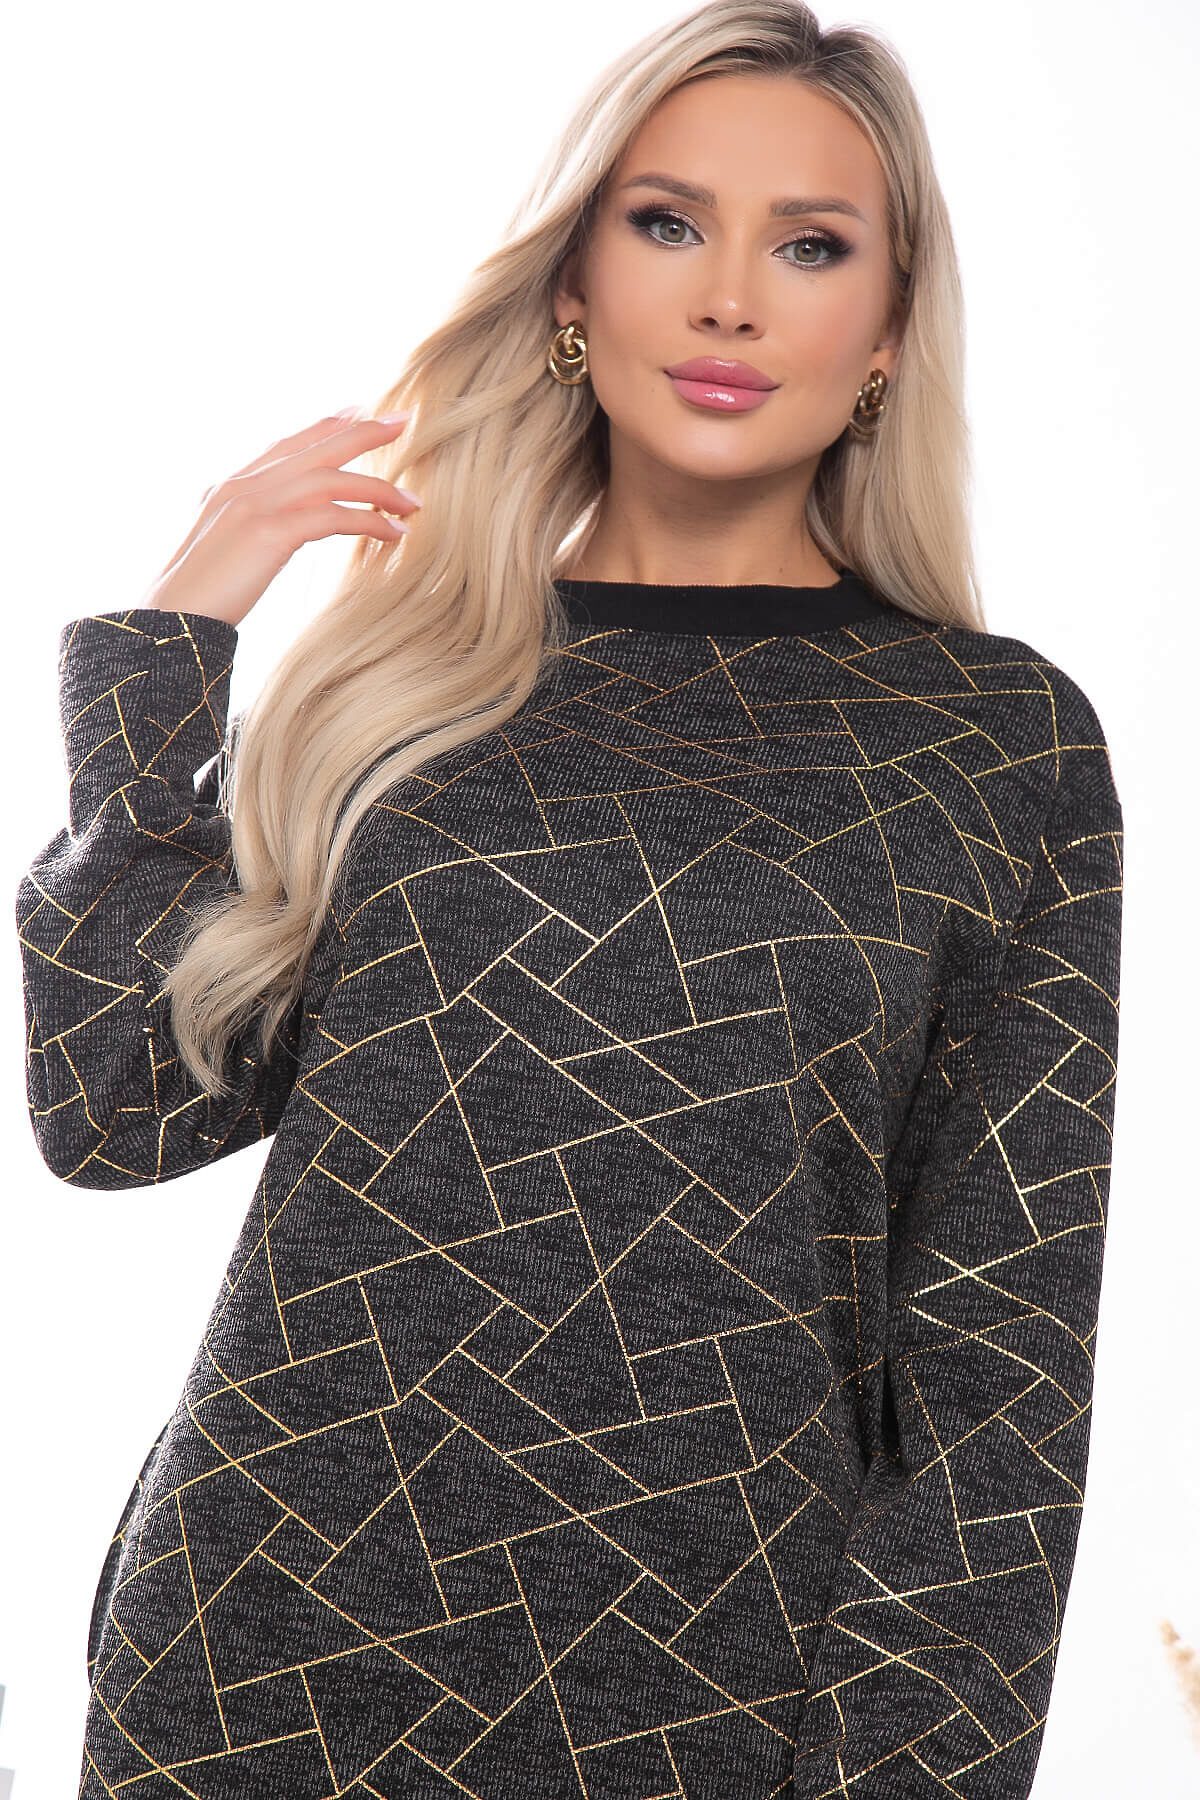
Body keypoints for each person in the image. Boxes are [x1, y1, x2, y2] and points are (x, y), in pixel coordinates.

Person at [16, 3, 1123, 1796]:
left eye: (812, 246)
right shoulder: (403, 689)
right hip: (263, 1664)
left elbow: (1002, 1367)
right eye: (668, 223)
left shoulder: (992, 744)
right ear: (572, 286)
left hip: (721, 1703)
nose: (729, 300)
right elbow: (117, 1108)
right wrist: (173, 644)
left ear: (887, 332)